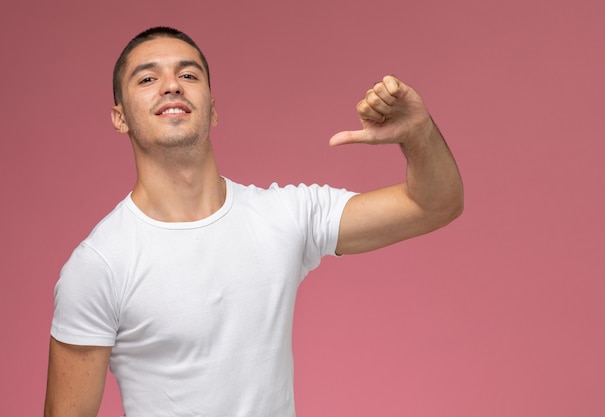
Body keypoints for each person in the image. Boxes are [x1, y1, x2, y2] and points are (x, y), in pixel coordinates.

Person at [44, 26, 463, 417]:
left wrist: (418, 133)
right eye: (147, 79)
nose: (172, 84)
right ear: (120, 117)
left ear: (212, 109)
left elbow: (434, 204)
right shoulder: (98, 264)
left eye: (189, 75)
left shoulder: (286, 216)